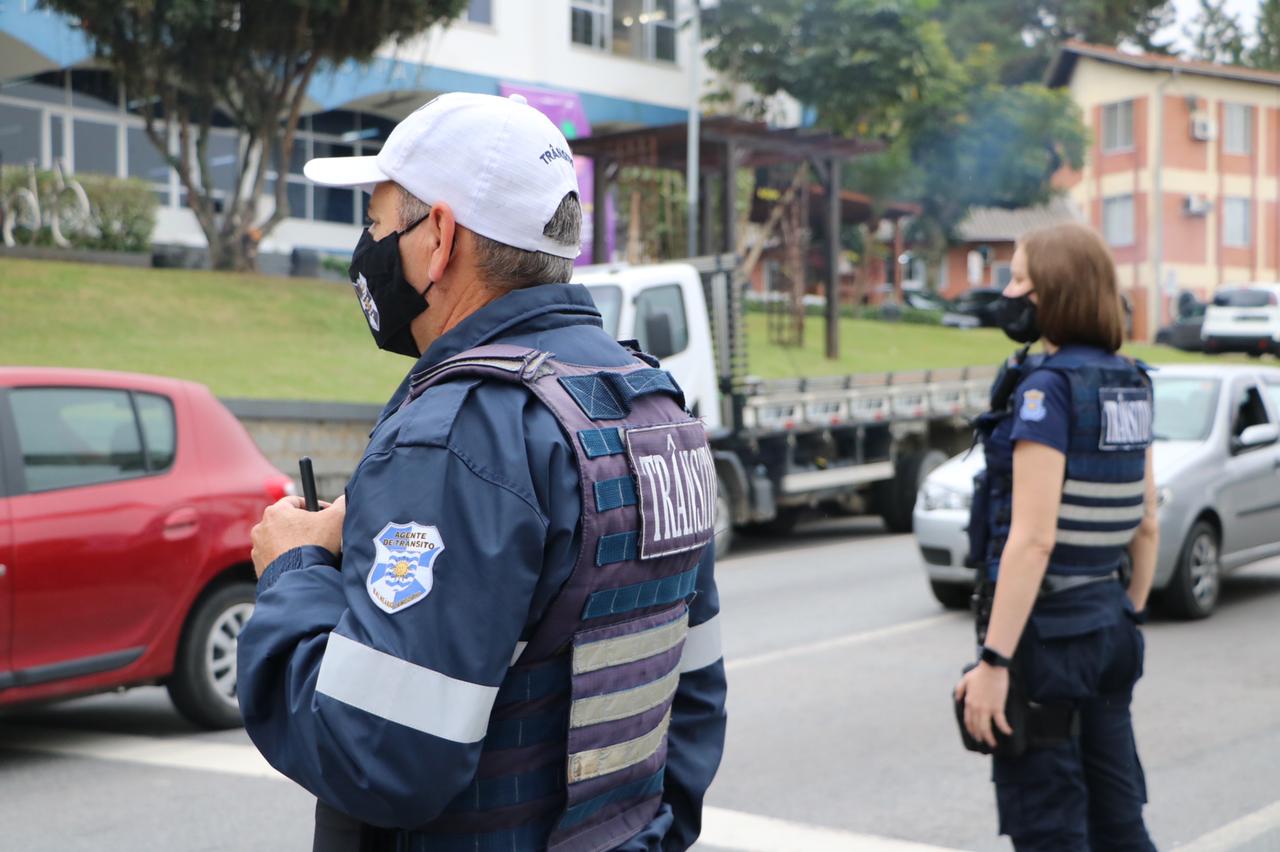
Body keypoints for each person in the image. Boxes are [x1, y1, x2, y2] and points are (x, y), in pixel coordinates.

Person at [236, 92, 727, 852]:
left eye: (375, 221)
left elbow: (376, 755)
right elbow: (689, 703)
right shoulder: (654, 406)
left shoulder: (457, 437)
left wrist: (295, 570)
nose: (366, 247)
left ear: (438, 234)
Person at [954, 222, 1158, 850]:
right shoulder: (1132, 379)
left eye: (1020, 279)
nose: (1009, 293)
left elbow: (1033, 539)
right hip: (1110, 625)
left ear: (1057, 293)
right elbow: (1147, 522)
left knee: (1051, 829)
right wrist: (1127, 613)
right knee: (1119, 822)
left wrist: (994, 662)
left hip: (1049, 642)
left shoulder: (1048, 390)